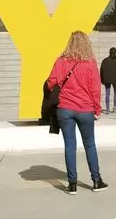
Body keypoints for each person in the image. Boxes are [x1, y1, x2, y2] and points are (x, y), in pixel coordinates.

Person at [46, 31, 108, 194]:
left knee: (70, 146)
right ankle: (96, 181)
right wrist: (97, 108)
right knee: (89, 144)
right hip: (85, 109)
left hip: (65, 109)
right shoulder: (90, 63)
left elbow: (51, 83)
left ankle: (72, 184)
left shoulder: (60, 61)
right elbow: (95, 88)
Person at [100, 47, 116, 113]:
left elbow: (101, 71)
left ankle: (107, 109)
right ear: (115, 53)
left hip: (107, 79)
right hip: (115, 79)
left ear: (109, 52)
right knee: (115, 93)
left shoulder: (104, 60)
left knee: (107, 93)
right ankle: (114, 108)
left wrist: (102, 80)